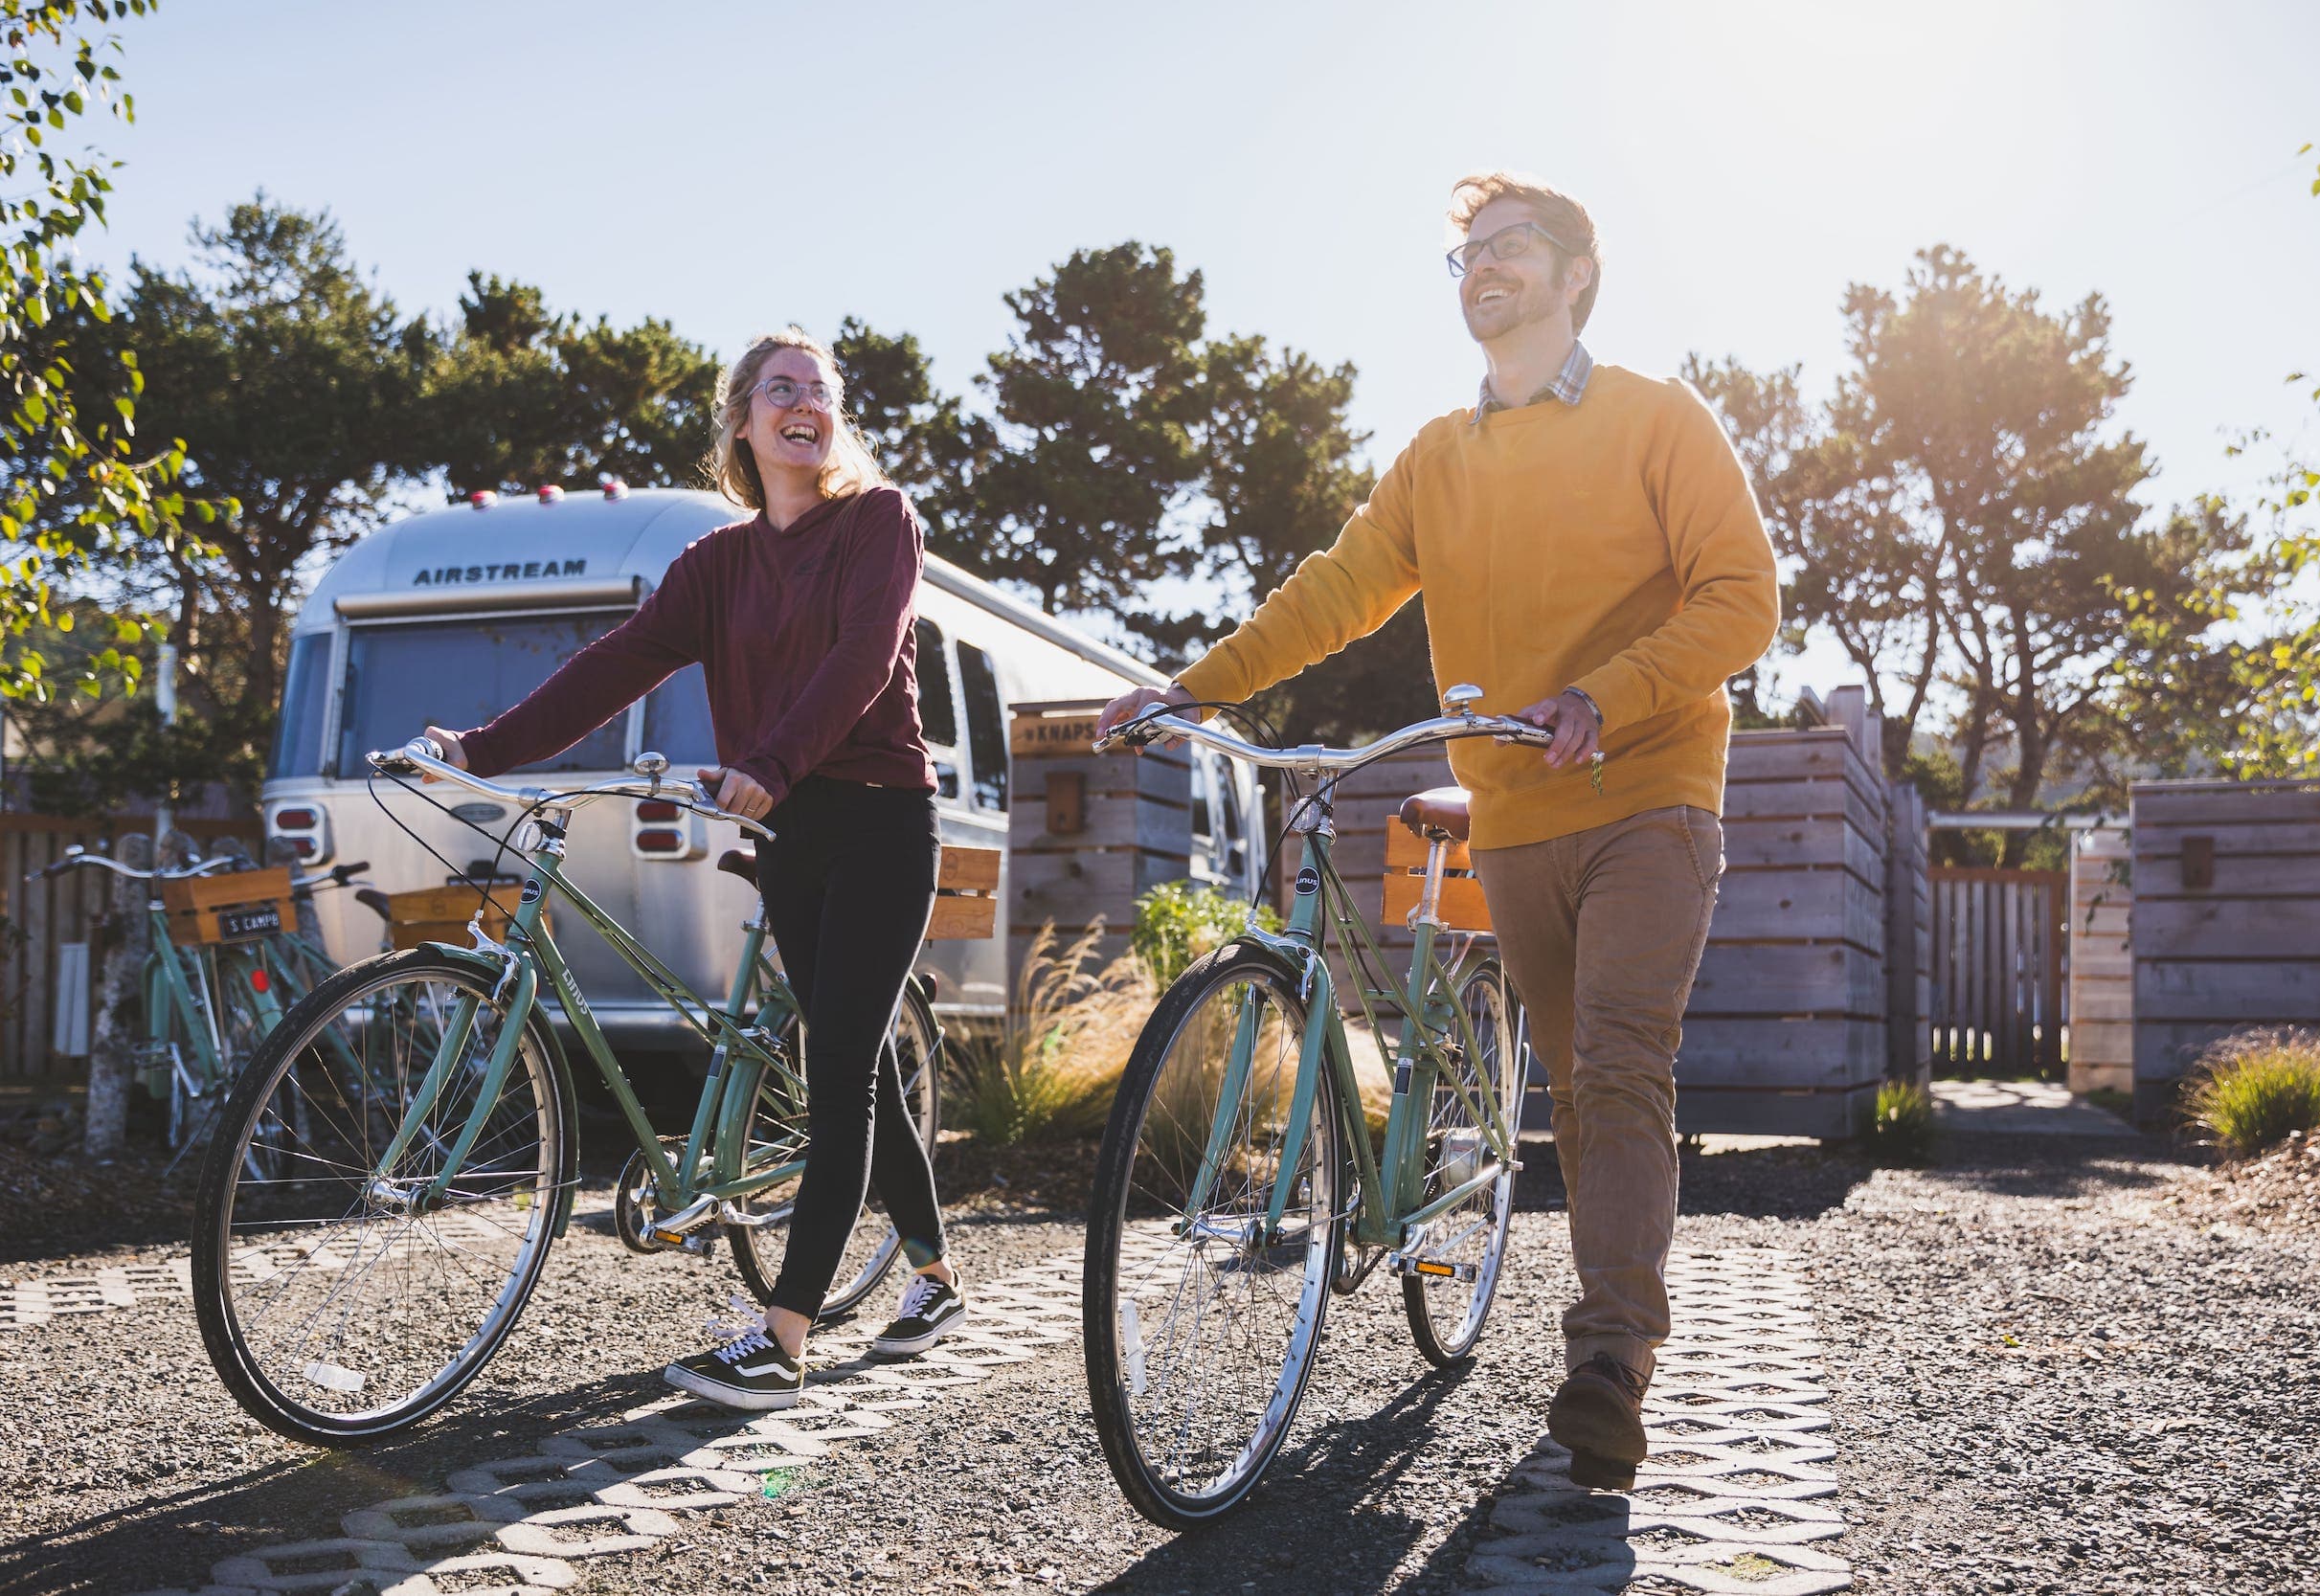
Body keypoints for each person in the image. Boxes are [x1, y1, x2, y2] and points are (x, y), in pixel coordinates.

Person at [1097, 172, 1780, 1489]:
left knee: (1621, 1063)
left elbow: (1742, 598)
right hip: (1513, 815)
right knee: (1571, 1077)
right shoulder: (1436, 456)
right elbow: (1341, 590)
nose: (1481, 266)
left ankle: (1610, 1360)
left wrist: (1607, 693)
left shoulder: (1657, 417)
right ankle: (1586, 1316)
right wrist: (1201, 686)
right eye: (1464, 251)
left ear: (1579, 273)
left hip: (1647, 791)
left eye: (1510, 246)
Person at [422, 326, 966, 1410]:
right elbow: (614, 664)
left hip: (879, 821)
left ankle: (784, 1336)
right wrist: (481, 750)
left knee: (844, 1070)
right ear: (743, 419)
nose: (802, 402)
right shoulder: (715, 565)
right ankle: (939, 1277)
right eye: (780, 388)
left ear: (834, 418)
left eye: (818, 389)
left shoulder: (878, 519)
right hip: (788, 831)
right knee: (840, 1058)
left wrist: (766, 760)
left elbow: (866, 657)